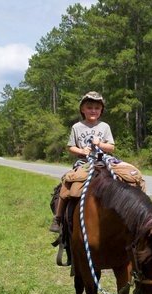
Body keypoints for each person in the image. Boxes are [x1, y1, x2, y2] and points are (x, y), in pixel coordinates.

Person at [49, 91, 115, 233]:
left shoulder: (105, 126)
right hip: (83, 163)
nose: (93, 110)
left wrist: (101, 144)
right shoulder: (77, 127)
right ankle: (58, 217)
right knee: (68, 182)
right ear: (82, 109)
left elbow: (112, 147)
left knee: (131, 175)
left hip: (103, 160)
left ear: (101, 110)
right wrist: (81, 151)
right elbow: (70, 147)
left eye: (97, 108)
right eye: (90, 107)